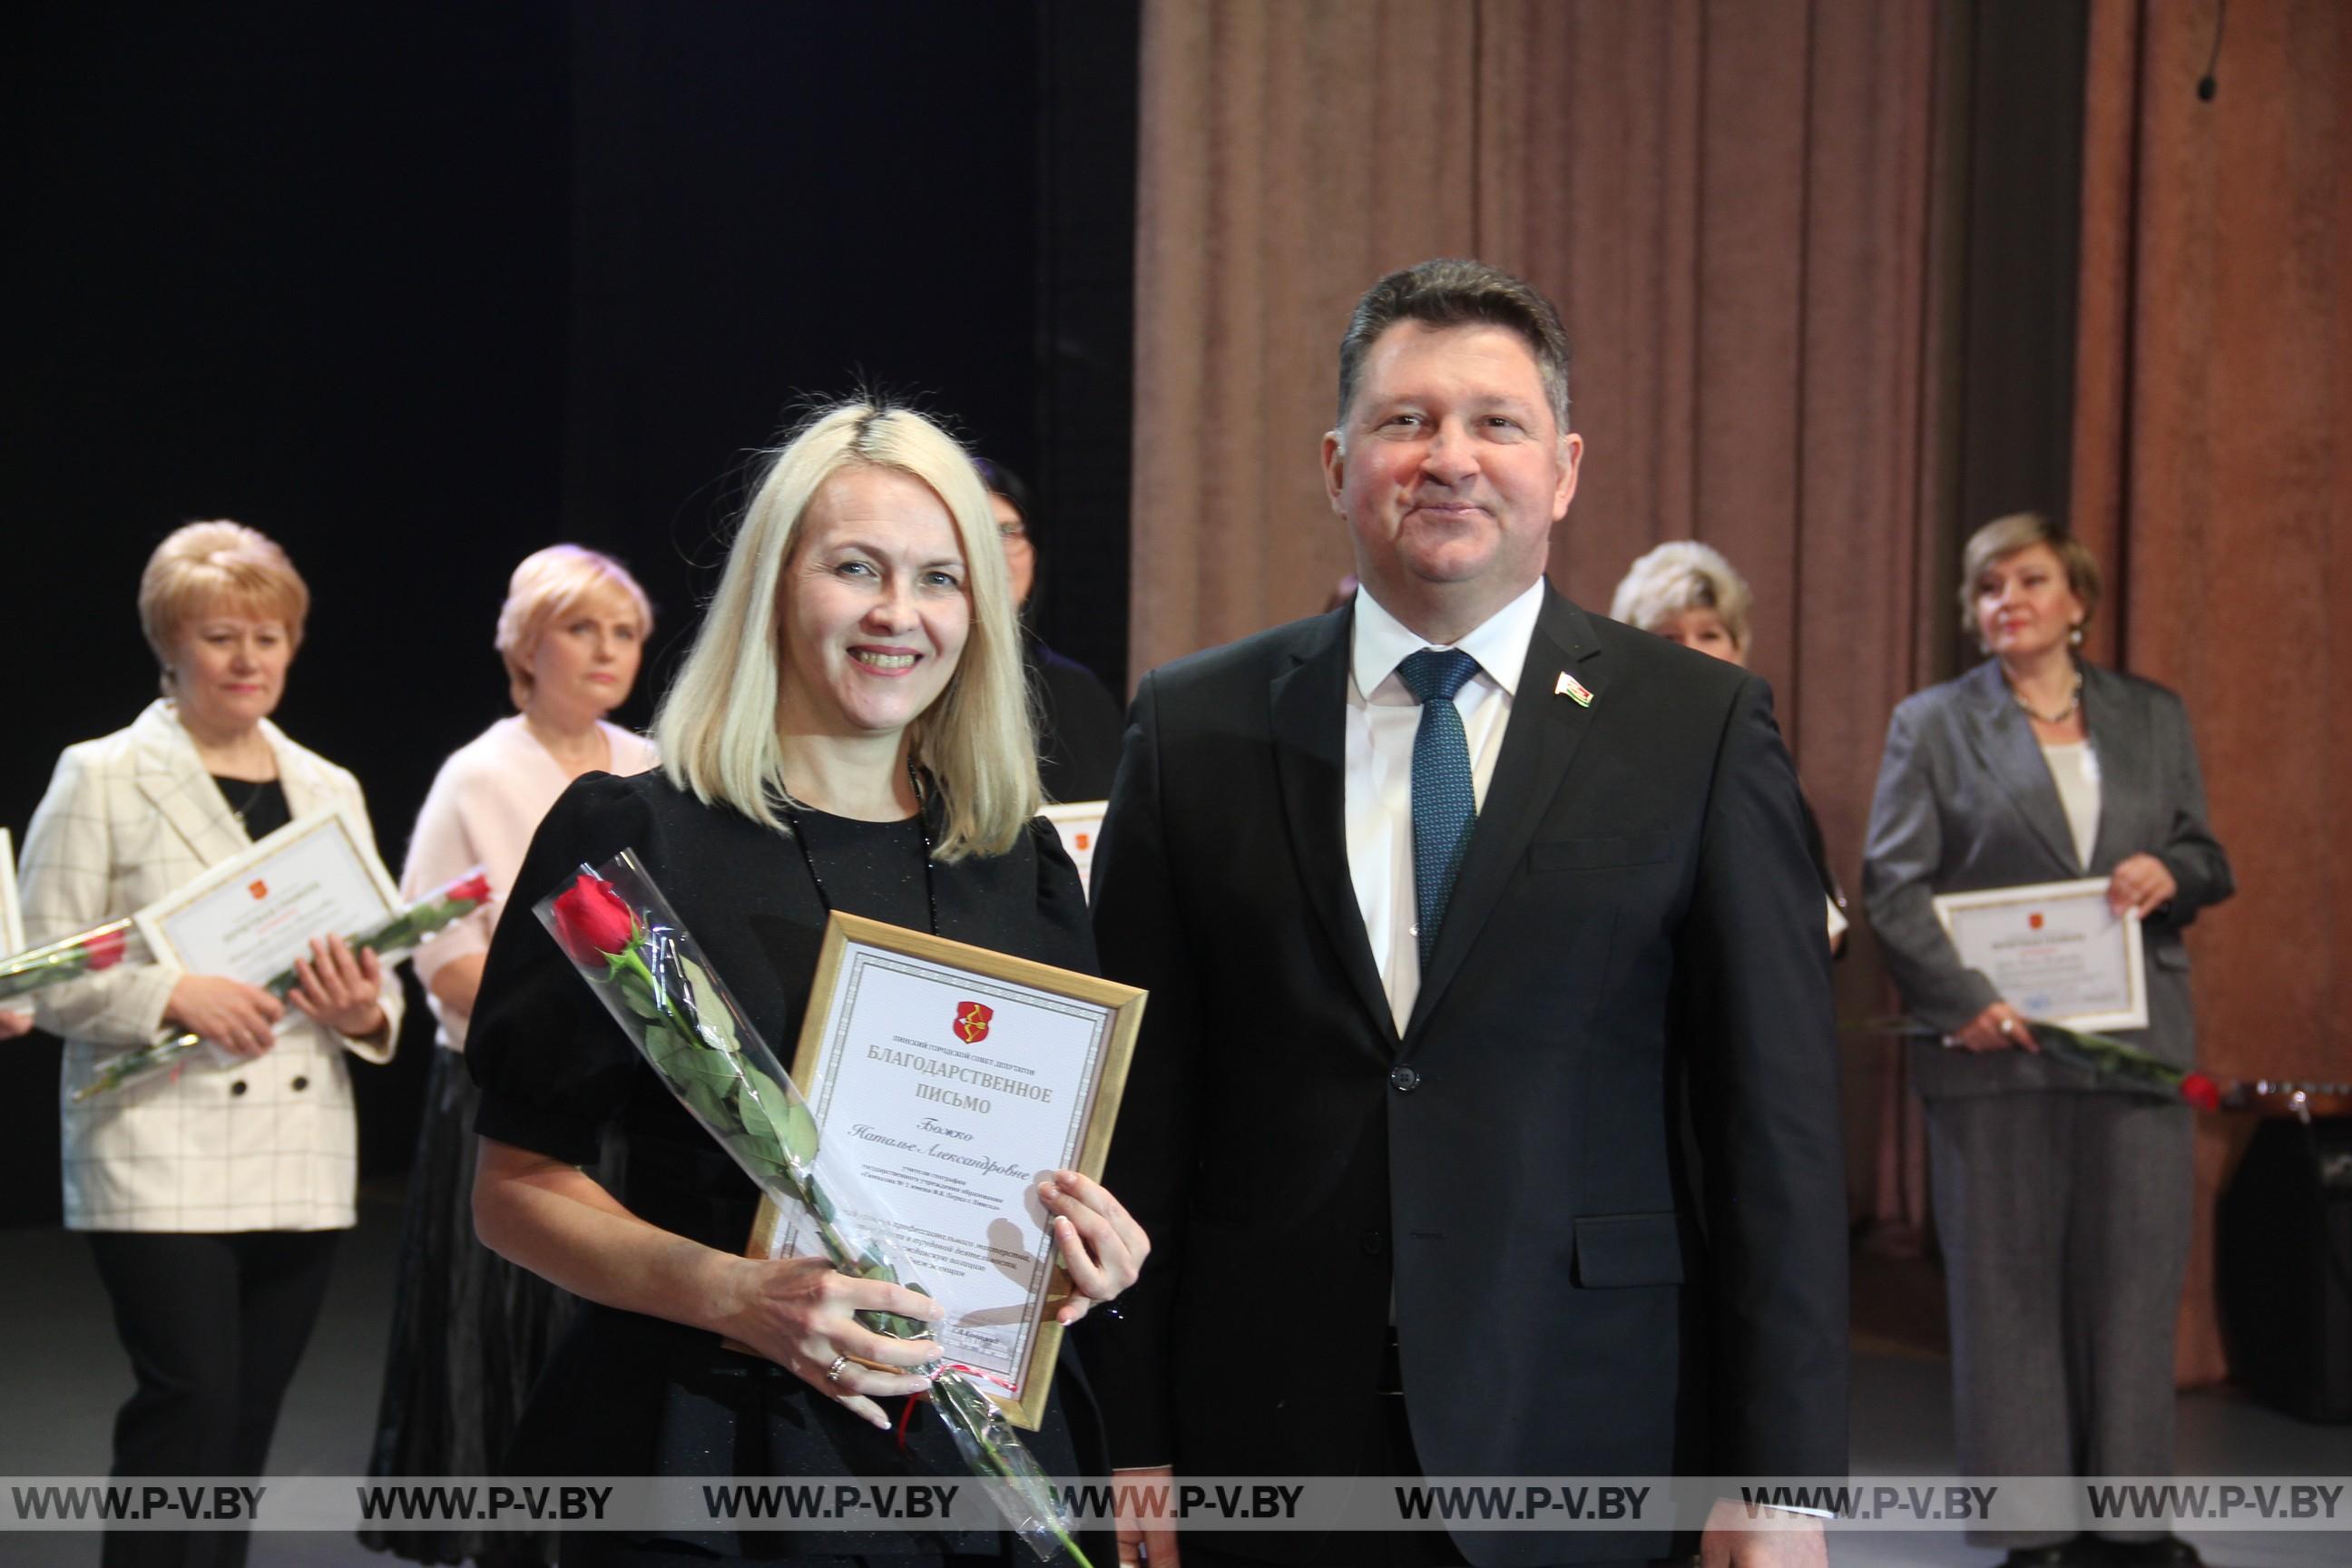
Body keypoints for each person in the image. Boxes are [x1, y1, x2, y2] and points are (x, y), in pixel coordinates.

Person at [1084, 259, 1847, 1568]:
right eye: (1405, 422)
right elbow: (1136, 1116)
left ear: (1564, 468)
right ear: (1337, 465)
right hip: (1267, 1433)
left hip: (1595, 1421)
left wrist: (1780, 1480)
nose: (1451, 459)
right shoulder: (1194, 726)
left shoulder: (1699, 728)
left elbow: (1772, 1122)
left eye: (1497, 423)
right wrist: (1130, 1434)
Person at [465, 401, 1145, 1567]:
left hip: (973, 1472)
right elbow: (515, 1189)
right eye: (855, 568)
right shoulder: (637, 845)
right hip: (708, 1456)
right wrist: (736, 1295)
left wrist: (1089, 1263)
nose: (899, 614)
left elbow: (1051, 1177)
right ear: (775, 587)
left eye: (940, 578)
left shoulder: (1015, 867)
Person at [18, 520, 405, 1568]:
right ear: (170, 646)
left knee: (242, 1435)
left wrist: (364, 1008)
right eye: (223, 637)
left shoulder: (328, 786)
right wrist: (167, 990)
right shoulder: (100, 774)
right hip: (155, 1139)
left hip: (300, 1143)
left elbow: (383, 971)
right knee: (190, 1402)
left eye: (269, 638)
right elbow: (42, 974)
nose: (249, 660)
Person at [1862, 514, 2232, 1568]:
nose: (2006, 599)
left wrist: (2175, 876)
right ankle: (2034, 1534)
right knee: (2008, 1288)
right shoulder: (1930, 725)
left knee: (2134, 1286)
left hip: (2136, 1048)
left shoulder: (2153, 717)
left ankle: (2132, 1525)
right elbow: (1893, 887)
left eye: (2028, 579)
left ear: (2077, 600)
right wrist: (1960, 997)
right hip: (1992, 1048)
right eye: (1986, 587)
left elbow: (2205, 854)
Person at [364, 544, 659, 1567]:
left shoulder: (652, 765)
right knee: (498, 1334)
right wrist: (561, 1009)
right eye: (583, 630)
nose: (607, 652)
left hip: (636, 1103)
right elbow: (436, 951)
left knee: (604, 1336)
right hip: (511, 1099)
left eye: (624, 634)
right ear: (526, 647)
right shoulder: (480, 772)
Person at [1609, 540, 1850, 954]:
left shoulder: (1762, 759)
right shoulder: (1607, 761)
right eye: (1669, 635)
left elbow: (1826, 923)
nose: (1692, 652)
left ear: (1738, 648)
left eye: (1709, 634)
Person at [976, 459, 1125, 801]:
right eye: (977, 533)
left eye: (1008, 532)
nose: (994, 554)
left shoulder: (1076, 692)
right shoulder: (910, 688)